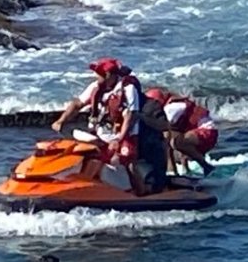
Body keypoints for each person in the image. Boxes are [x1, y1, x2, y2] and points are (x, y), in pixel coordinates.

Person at [52, 58, 145, 195]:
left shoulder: (128, 89)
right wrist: (61, 120)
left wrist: (119, 139)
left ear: (108, 75)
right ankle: (90, 188)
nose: (95, 77)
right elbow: (77, 104)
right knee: (90, 157)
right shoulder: (95, 87)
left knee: (125, 159)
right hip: (101, 134)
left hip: (125, 135)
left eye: (98, 74)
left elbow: (131, 116)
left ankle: (140, 194)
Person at [145, 88, 218, 177]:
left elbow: (164, 129)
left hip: (207, 132)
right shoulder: (173, 105)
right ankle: (185, 170)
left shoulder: (171, 108)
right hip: (203, 133)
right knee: (175, 139)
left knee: (175, 142)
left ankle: (206, 166)